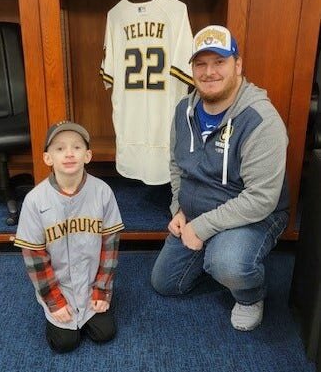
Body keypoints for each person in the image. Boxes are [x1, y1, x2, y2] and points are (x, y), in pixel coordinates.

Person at [151, 25, 289, 331]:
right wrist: (179, 208)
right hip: (199, 209)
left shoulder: (261, 120)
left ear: (238, 65)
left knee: (227, 263)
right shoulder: (182, 111)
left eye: (219, 62)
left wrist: (202, 227)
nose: (209, 71)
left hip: (253, 214)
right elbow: (176, 165)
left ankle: (250, 294)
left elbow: (261, 199)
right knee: (165, 283)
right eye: (201, 63)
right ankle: (215, 249)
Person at [14, 121, 124, 352]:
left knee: (105, 333)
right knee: (64, 343)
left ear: (88, 155)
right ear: (47, 158)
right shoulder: (35, 200)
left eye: (76, 147)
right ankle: (57, 308)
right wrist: (54, 301)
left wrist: (102, 290)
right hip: (59, 285)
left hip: (91, 284)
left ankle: (90, 303)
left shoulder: (103, 191)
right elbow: (35, 258)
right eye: (60, 148)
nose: (69, 153)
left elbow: (110, 248)